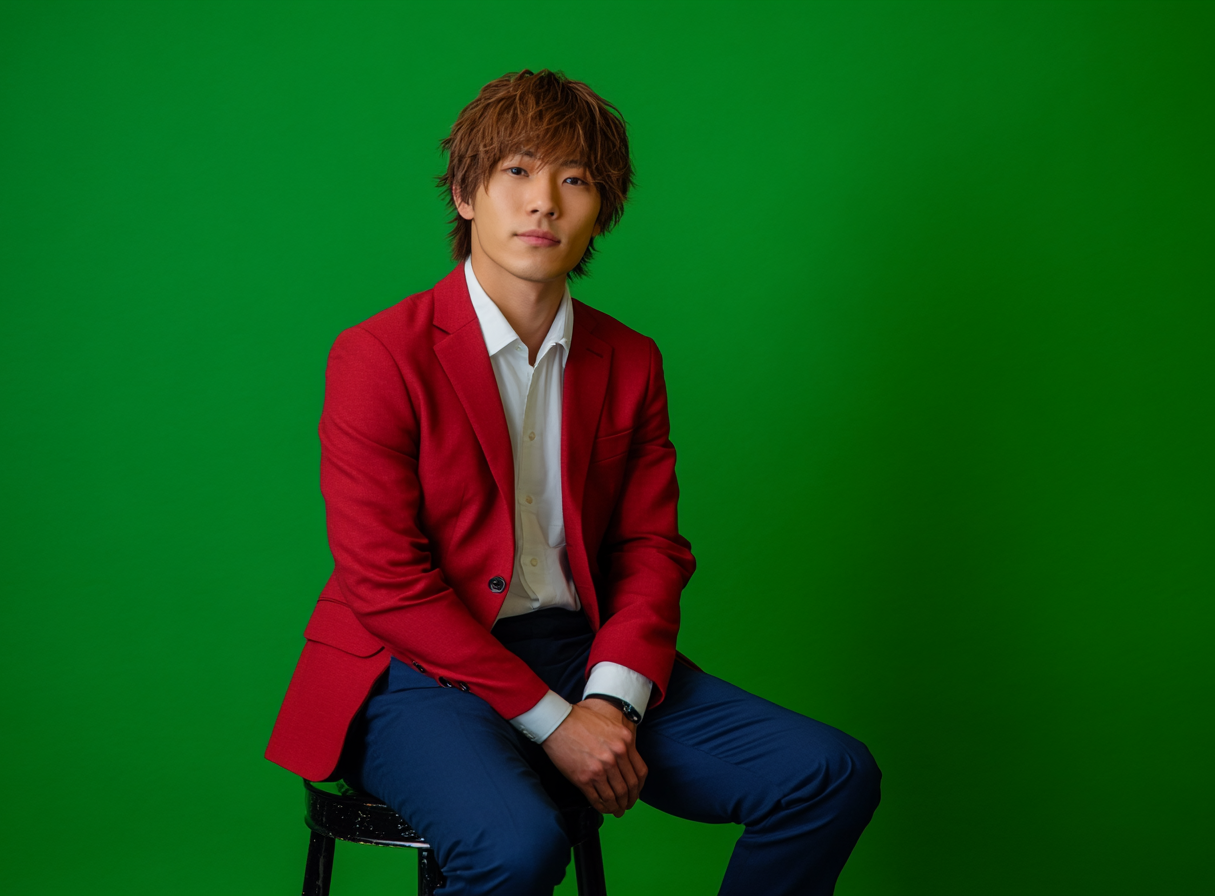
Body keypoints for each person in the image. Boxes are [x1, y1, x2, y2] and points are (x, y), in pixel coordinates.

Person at [266, 68, 881, 895]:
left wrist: (613, 703)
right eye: (516, 171)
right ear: (464, 195)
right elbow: (386, 582)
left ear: (602, 209)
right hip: (413, 668)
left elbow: (651, 547)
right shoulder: (378, 356)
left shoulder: (629, 359)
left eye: (575, 178)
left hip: (577, 650)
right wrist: (557, 726)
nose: (543, 201)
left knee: (828, 772)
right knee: (518, 846)